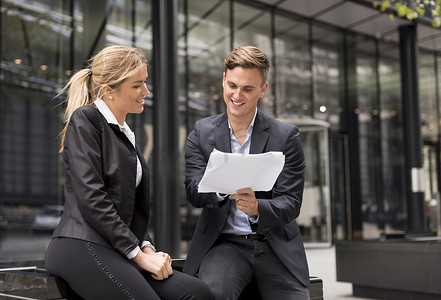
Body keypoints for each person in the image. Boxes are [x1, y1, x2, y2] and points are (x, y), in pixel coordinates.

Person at [44, 45, 213, 300]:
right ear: (108, 90)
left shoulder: (124, 132)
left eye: (145, 83)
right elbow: (92, 199)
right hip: (81, 243)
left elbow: (128, 206)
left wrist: (145, 246)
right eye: (137, 85)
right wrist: (137, 254)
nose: (146, 91)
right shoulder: (86, 120)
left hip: (116, 246)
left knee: (197, 293)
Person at [183, 46, 310, 300]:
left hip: (275, 243)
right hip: (225, 244)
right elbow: (193, 190)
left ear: (263, 89)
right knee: (214, 294)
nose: (237, 95)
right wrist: (219, 186)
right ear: (223, 80)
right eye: (232, 85)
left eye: (248, 89)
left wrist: (257, 208)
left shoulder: (285, 136)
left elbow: (291, 203)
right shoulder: (201, 132)